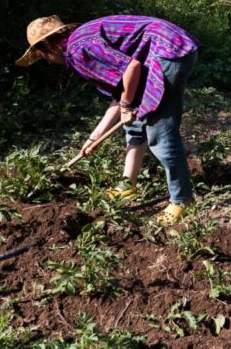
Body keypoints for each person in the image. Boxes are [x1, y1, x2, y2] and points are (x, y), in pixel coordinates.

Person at [17, 15, 199, 226]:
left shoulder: (79, 50)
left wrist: (127, 105)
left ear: (48, 45)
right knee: (136, 125)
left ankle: (181, 200)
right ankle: (127, 185)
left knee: (160, 131)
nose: (48, 61)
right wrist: (95, 136)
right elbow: (121, 90)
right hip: (164, 47)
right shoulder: (79, 41)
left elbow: (131, 68)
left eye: (42, 55)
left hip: (168, 50)